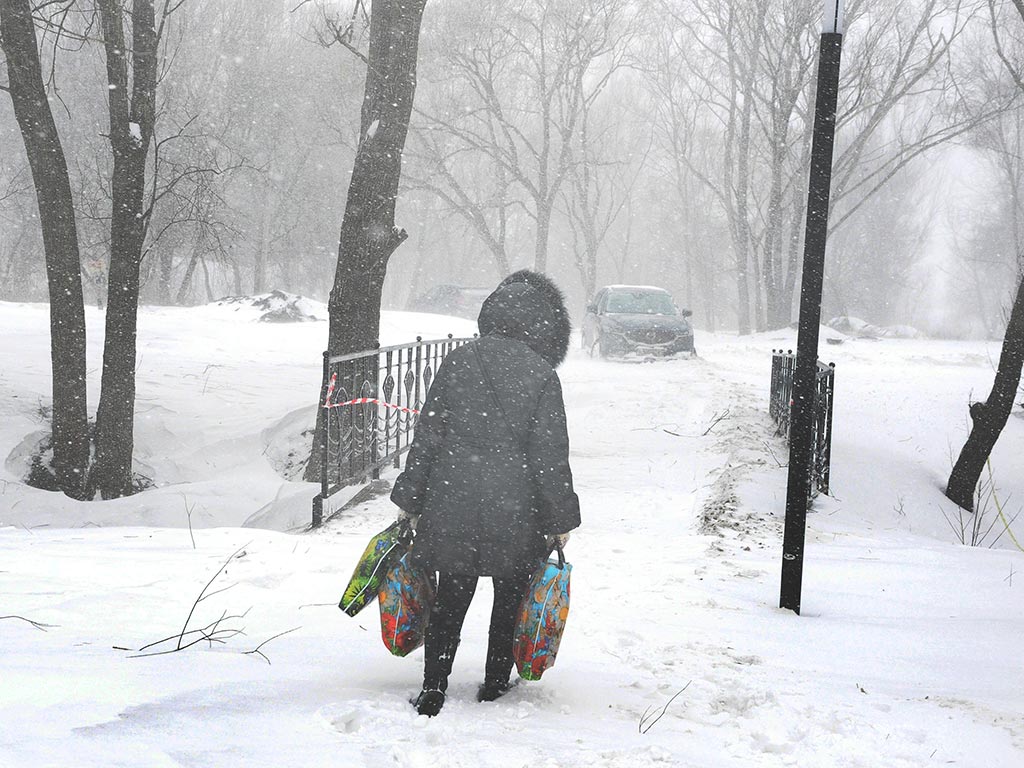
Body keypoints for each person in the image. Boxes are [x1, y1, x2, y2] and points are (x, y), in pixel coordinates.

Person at [390, 269, 581, 717]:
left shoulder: (457, 362)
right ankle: (495, 681)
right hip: (516, 510)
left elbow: (428, 436)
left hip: (452, 501)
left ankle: (434, 686)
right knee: (510, 595)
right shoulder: (540, 375)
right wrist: (559, 522)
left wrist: (410, 499)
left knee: (451, 598)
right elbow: (549, 455)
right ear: (539, 325)